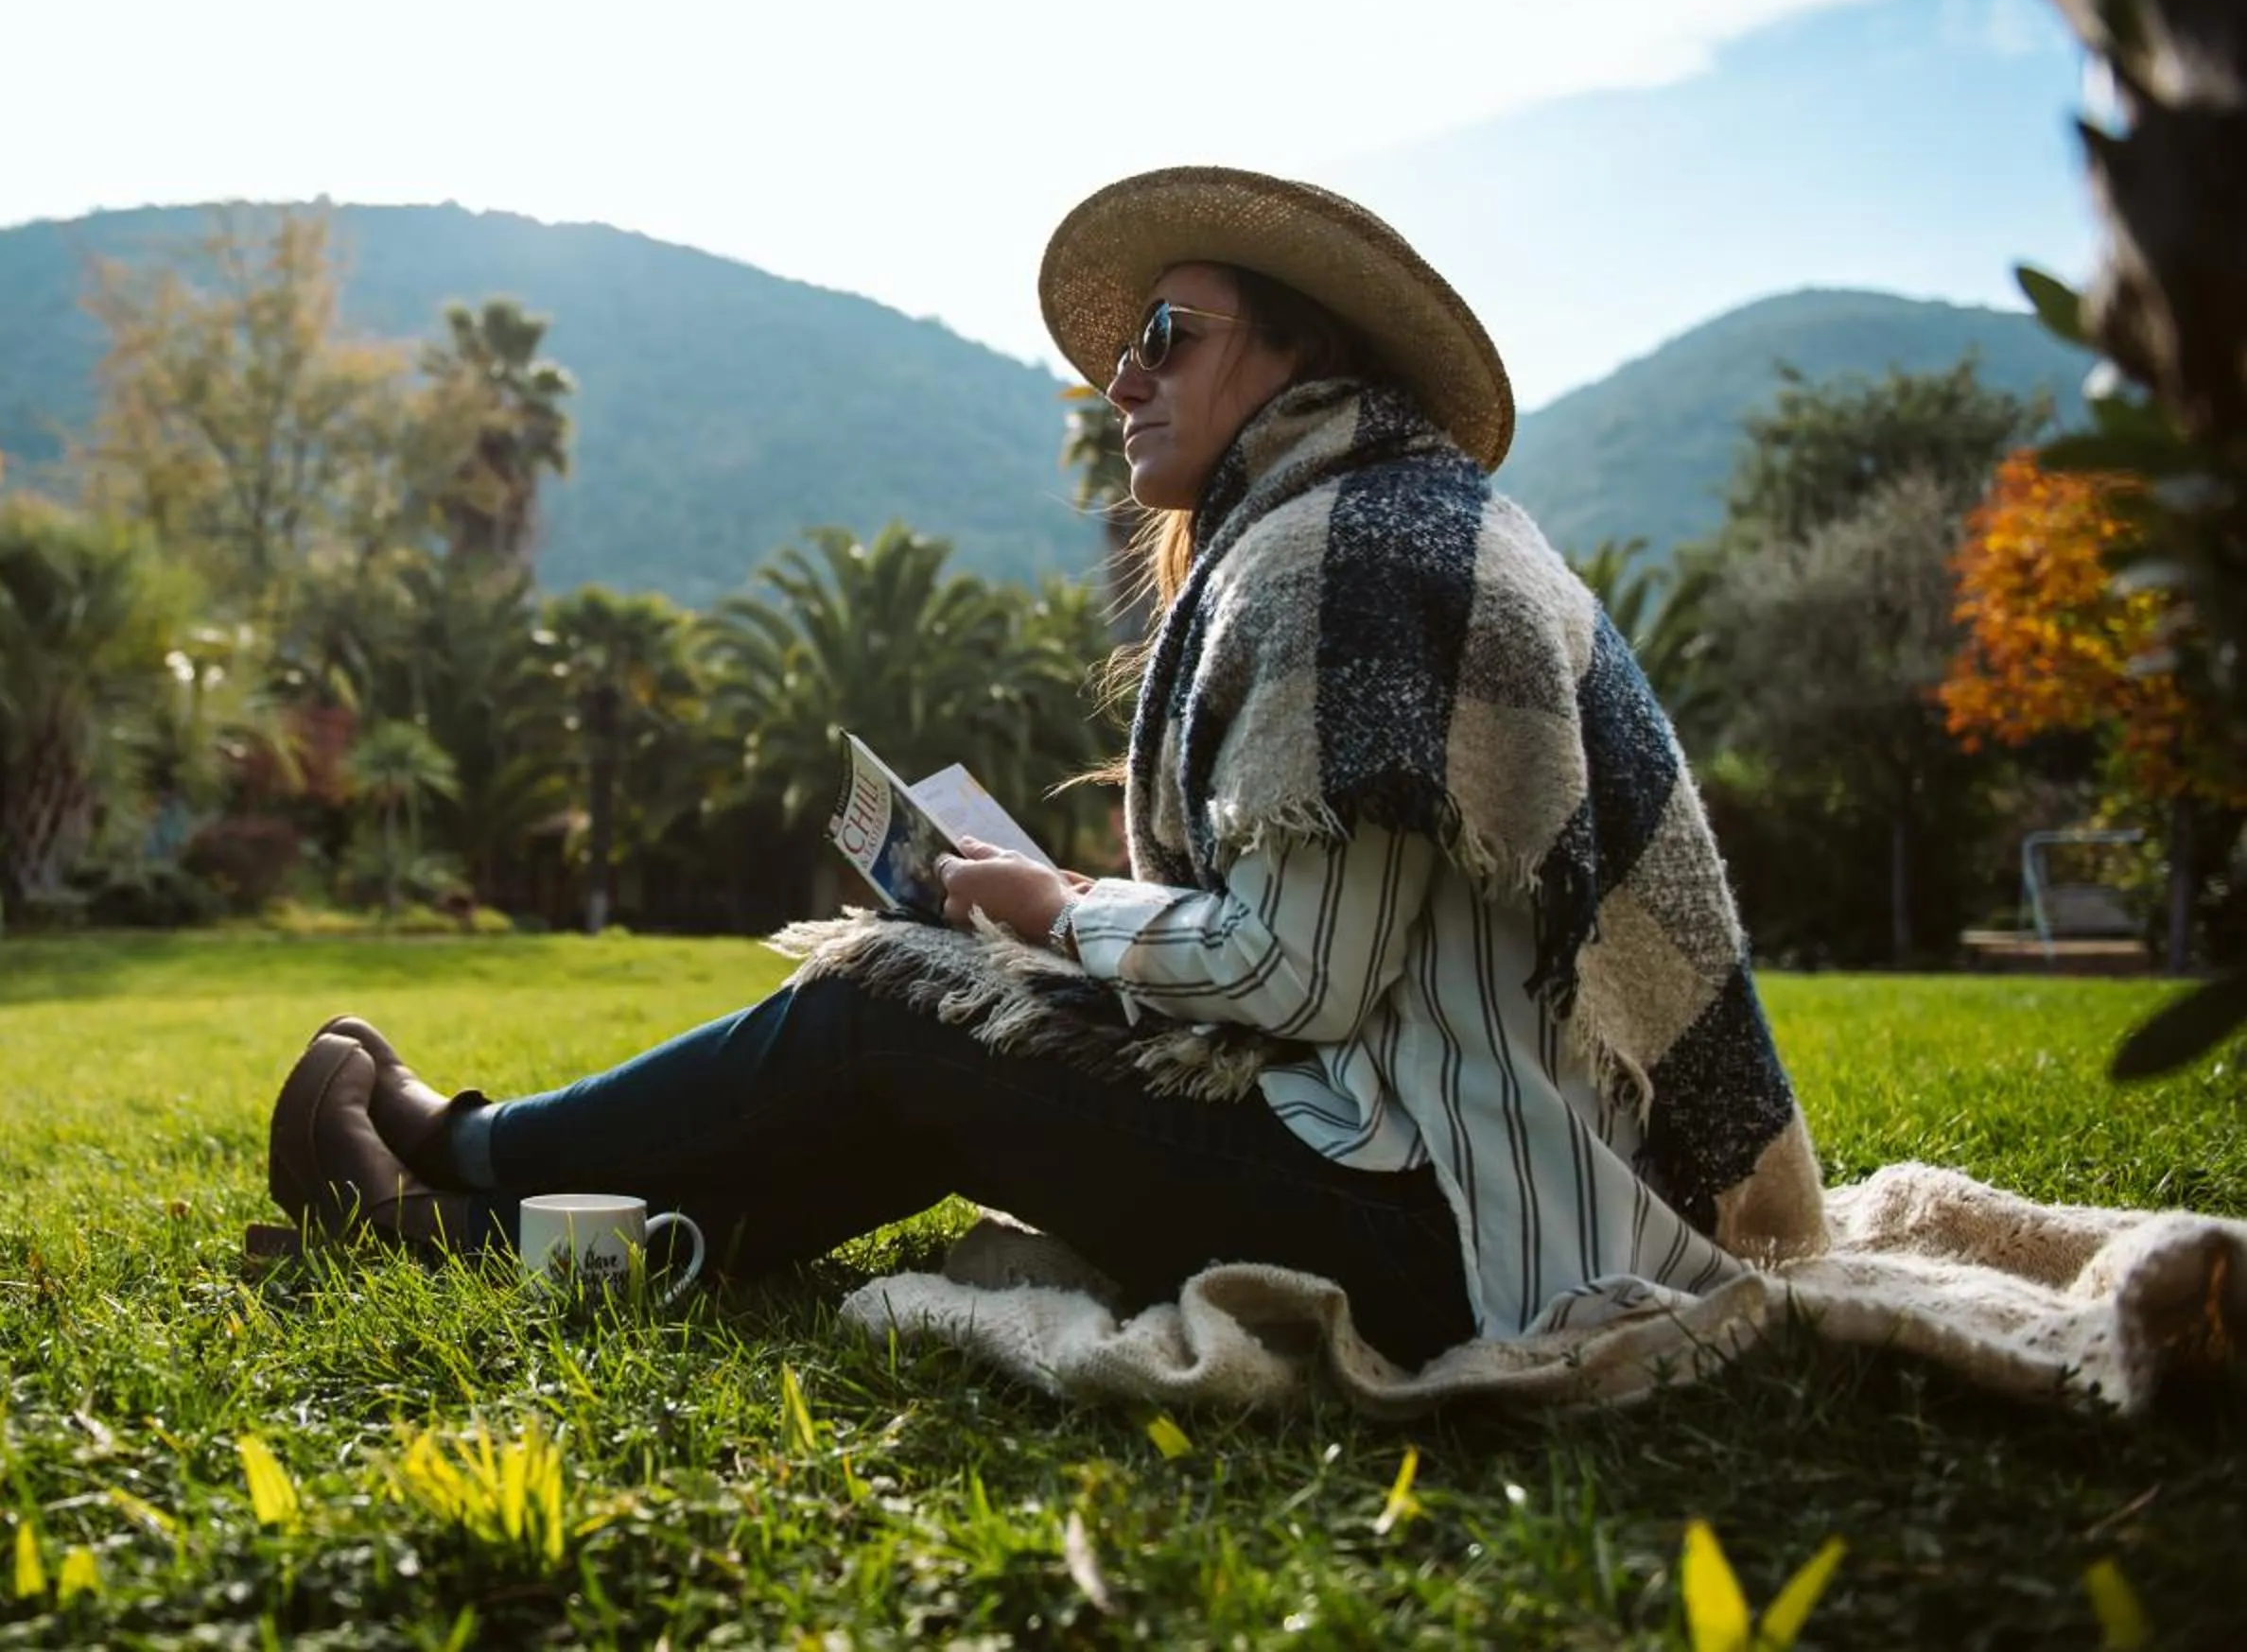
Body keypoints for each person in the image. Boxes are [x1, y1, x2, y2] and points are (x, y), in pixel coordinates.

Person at [264, 167, 1826, 1372]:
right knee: (921, 1046)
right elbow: (1346, 950)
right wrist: (1057, 904)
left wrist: (1061, 916)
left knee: (894, 1007)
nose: (1123, 380)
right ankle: (502, 1227)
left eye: (1168, 337)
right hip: (1458, 1191)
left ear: (1302, 352)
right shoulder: (1391, 525)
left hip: (1450, 1246)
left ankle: (469, 1157)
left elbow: (1300, 981)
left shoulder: (1348, 557)